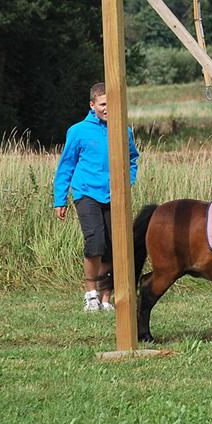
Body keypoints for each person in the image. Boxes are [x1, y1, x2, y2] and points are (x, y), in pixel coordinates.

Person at [54, 82, 139, 312]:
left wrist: (127, 181)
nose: (108, 108)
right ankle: (90, 294)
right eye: (103, 104)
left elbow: (132, 159)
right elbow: (66, 166)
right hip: (87, 193)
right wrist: (59, 199)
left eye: (112, 103)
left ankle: (106, 298)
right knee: (95, 242)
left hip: (115, 195)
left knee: (114, 246)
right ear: (93, 105)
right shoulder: (78, 131)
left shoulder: (123, 130)